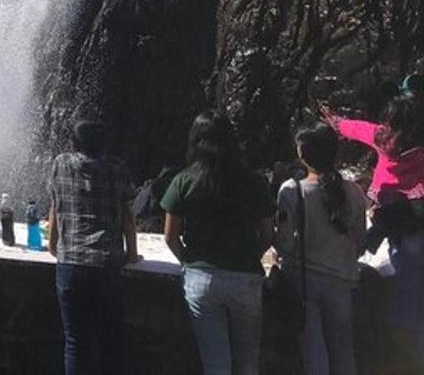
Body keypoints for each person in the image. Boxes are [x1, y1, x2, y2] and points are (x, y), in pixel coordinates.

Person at [160, 111, 275, 375]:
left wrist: (189, 262)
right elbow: (268, 234)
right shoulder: (253, 181)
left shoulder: (184, 181)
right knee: (247, 362)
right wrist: (250, 254)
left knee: (215, 364)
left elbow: (170, 236)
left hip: (202, 279)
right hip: (245, 277)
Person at [325, 92, 424, 361]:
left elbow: (358, 128)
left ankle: (347, 267)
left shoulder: (382, 137)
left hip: (383, 204)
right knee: (412, 262)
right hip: (414, 212)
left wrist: (336, 122)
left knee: (369, 238)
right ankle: (408, 324)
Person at [47, 121, 139, 375]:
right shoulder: (117, 168)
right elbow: (127, 216)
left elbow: (55, 208)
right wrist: (131, 253)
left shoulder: (60, 164)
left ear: (73, 144)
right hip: (107, 263)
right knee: (110, 339)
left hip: (71, 263)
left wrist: (53, 246)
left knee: (75, 342)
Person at [274, 121, 366, 375]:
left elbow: (285, 244)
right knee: (343, 353)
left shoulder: (292, 191)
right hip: (342, 283)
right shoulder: (355, 191)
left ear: (302, 153)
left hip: (305, 285)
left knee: (314, 355)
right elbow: (360, 241)